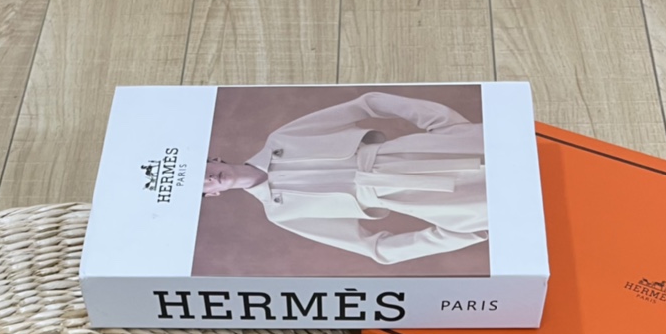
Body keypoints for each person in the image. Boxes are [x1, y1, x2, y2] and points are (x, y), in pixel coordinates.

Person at [202, 91, 488, 265]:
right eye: (202, 186)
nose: (208, 178)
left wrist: (448, 125)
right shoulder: (281, 213)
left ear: (213, 159)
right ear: (212, 195)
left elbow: (368, 104)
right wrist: (464, 230)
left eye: (201, 170)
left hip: (426, 150)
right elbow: (378, 249)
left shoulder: (283, 138)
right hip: (434, 201)